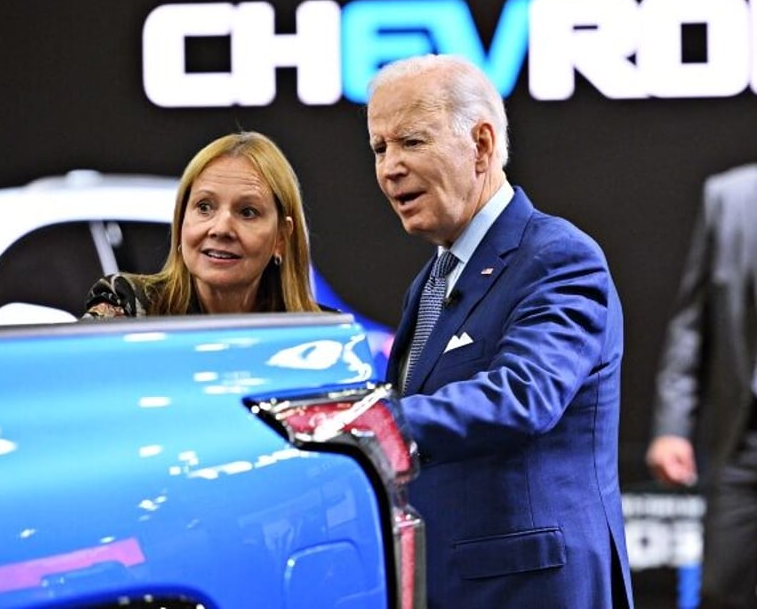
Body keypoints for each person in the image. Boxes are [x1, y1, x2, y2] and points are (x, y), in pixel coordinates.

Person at [365, 53, 633, 608]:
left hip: (533, 588)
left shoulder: (558, 257)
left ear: (481, 144)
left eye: (411, 142)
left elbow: (524, 394)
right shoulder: (433, 279)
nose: (390, 166)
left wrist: (370, 424)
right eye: (379, 148)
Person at [646, 163, 757, 608]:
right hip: (745, 442)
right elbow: (692, 324)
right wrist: (672, 426)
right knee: (721, 590)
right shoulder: (729, 197)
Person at [83, 131, 321, 317]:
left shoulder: (324, 341)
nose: (221, 229)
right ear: (181, 222)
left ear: (281, 237)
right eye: (204, 207)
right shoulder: (128, 306)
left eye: (248, 212)